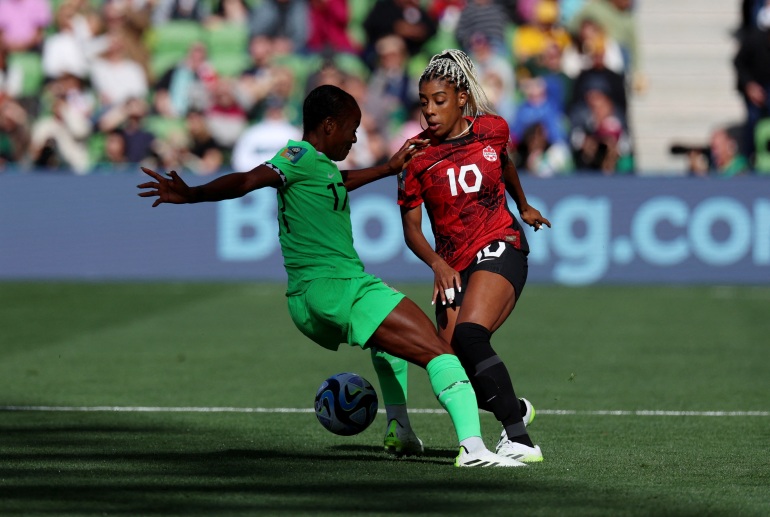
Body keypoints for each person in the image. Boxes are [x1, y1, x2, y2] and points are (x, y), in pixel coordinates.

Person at [137, 84, 524, 468]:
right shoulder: (297, 155)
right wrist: (193, 194)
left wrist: (387, 169)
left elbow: (339, 182)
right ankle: (474, 450)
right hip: (340, 288)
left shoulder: (318, 167)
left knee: (388, 344)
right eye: (351, 128)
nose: (355, 137)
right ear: (327, 125)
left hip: (307, 302)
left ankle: (400, 429)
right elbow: (248, 180)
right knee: (443, 353)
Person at [397, 49, 551, 463]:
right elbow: (412, 231)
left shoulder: (492, 129)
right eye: (424, 102)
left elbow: (505, 164)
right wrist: (438, 264)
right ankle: (513, 408)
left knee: (469, 335)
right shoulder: (414, 157)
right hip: (453, 264)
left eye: (439, 100)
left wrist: (523, 206)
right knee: (448, 366)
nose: (429, 110)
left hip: (500, 242)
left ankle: (519, 439)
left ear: (461, 98)